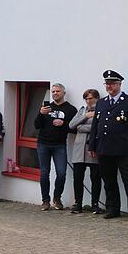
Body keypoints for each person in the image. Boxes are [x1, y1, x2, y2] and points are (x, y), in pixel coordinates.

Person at [88, 70, 128, 223]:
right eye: (107, 83)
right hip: (104, 149)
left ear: (119, 84)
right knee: (109, 180)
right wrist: (92, 145)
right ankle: (113, 208)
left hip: (124, 150)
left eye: (112, 83)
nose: (109, 86)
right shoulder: (101, 102)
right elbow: (95, 125)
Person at [35, 83, 78, 211]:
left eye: (57, 91)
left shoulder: (71, 109)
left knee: (61, 173)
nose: (55, 93)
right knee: (44, 173)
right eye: (53, 91)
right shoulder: (46, 108)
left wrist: (63, 124)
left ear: (64, 93)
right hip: (43, 144)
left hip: (59, 145)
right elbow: (36, 125)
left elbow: (75, 129)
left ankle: (57, 198)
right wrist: (40, 113)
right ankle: (45, 200)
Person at [68, 89, 104, 214]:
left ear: (97, 98)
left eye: (91, 98)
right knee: (78, 177)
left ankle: (95, 204)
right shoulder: (82, 110)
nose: (88, 101)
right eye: (86, 99)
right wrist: (85, 117)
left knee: (95, 177)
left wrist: (81, 127)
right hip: (79, 150)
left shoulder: (101, 110)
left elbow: (99, 127)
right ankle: (78, 203)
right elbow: (71, 125)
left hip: (92, 149)